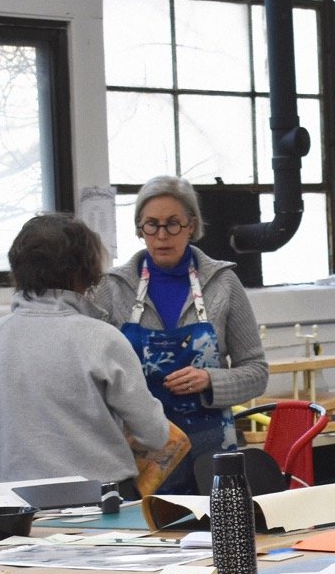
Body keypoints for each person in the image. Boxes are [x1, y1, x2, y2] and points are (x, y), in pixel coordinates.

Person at [0, 213, 170, 487]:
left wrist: (10, 475)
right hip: (101, 500)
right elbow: (154, 434)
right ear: (83, 271)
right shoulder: (102, 340)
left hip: (21, 501)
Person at [93, 175, 269, 492]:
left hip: (212, 450)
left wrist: (211, 380)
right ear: (139, 229)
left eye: (173, 224)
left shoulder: (223, 283)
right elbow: (92, 375)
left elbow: (257, 372)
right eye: (152, 225)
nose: (162, 235)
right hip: (138, 454)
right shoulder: (113, 288)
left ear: (192, 226)